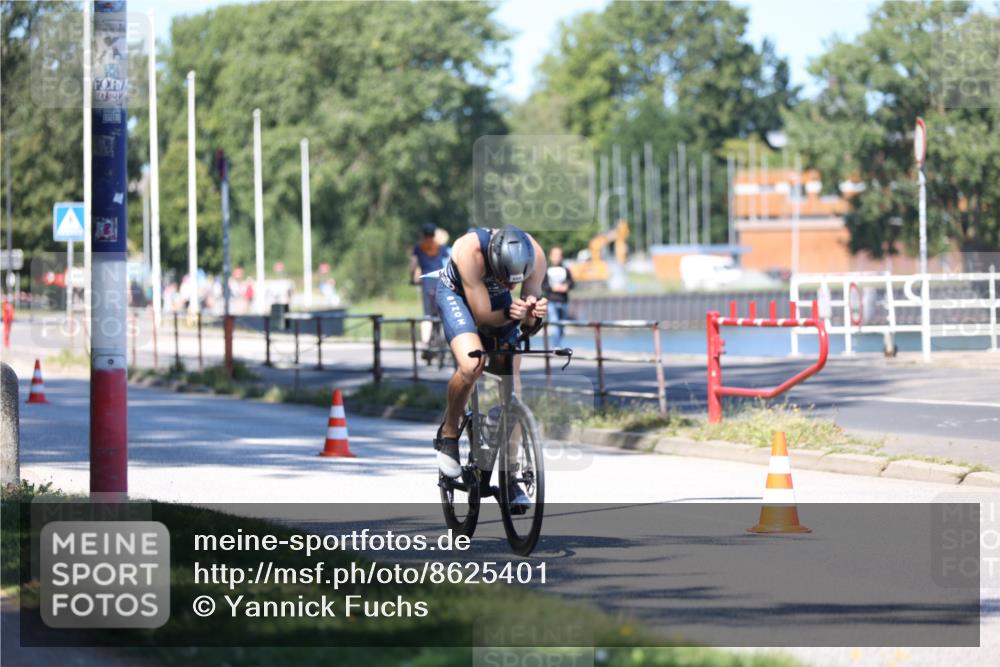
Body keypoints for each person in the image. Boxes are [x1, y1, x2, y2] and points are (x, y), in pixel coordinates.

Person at [433, 224, 547, 507]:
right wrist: (514, 312)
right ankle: (448, 433)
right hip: (459, 296)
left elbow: (528, 326)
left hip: (498, 304)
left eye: (515, 282)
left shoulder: (537, 256)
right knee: (473, 363)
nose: (511, 287)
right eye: (505, 280)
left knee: (511, 378)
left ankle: (510, 479)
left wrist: (532, 314)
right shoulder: (469, 250)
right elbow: (484, 318)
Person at [410, 223, 445, 343]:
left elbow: (413, 263)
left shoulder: (418, 247)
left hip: (426, 280)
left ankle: (426, 342)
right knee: (440, 310)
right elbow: (447, 261)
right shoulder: (440, 247)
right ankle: (441, 339)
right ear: (434, 234)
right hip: (440, 279)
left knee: (427, 314)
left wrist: (412, 277)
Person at [542, 246, 574, 348]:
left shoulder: (566, 269)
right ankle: (556, 346)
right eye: (555, 255)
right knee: (555, 323)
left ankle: (558, 344)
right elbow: (543, 285)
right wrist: (553, 288)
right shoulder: (546, 270)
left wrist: (566, 286)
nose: (557, 257)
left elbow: (572, 283)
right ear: (550, 256)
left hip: (563, 301)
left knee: (562, 325)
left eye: (559, 255)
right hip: (551, 301)